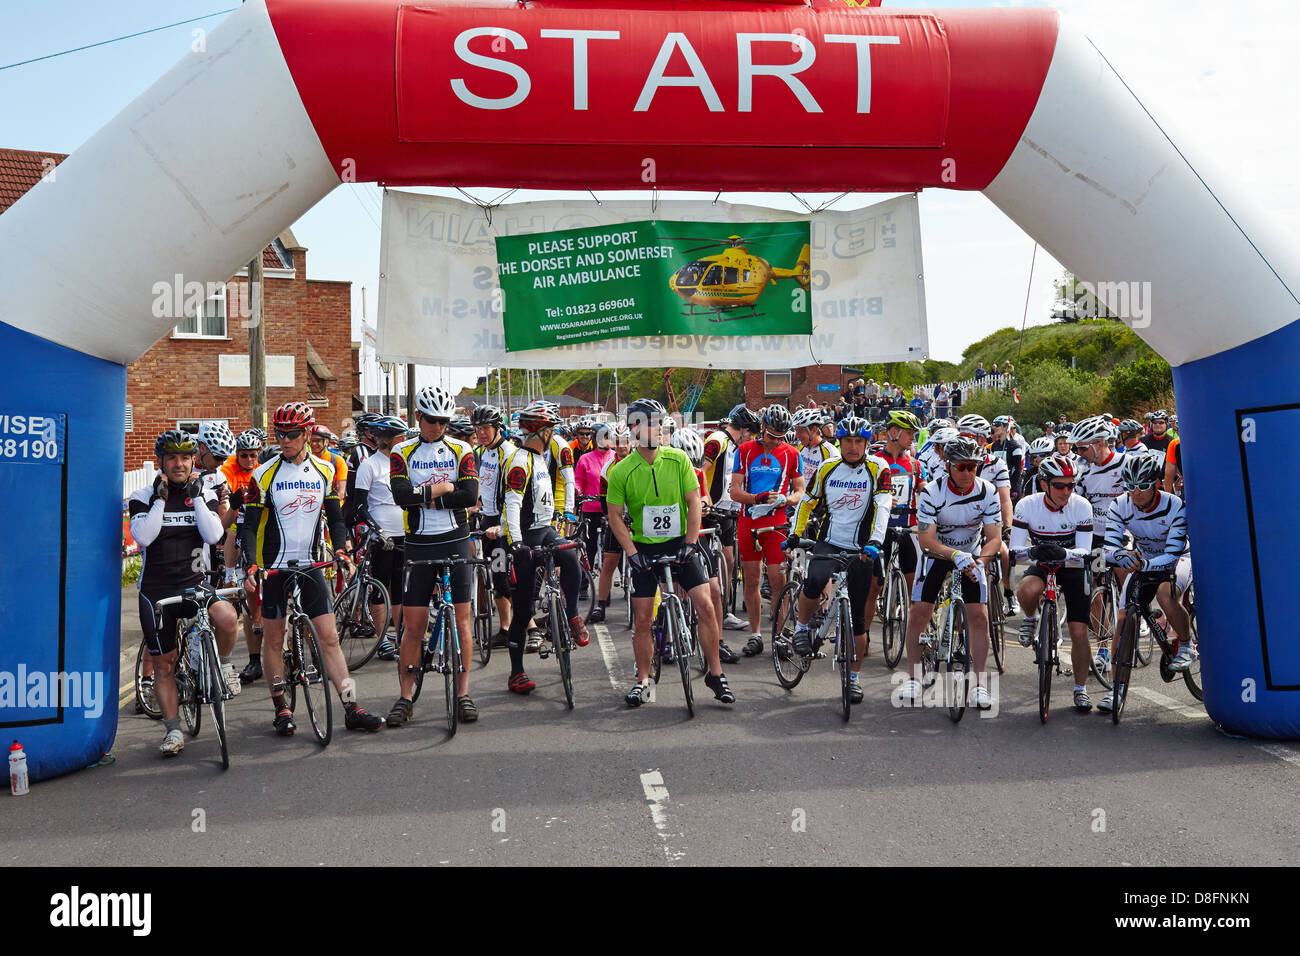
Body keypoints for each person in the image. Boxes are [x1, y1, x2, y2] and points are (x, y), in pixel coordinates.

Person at [240, 403, 386, 735]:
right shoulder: (263, 474)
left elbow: (335, 519)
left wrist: (340, 549)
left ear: (307, 434)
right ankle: (281, 707)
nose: (285, 440)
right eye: (279, 434)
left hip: (310, 563)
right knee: (274, 639)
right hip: (274, 567)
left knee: (330, 637)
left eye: (291, 434)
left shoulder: (324, 470)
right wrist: (251, 564)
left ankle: (351, 706)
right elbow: (248, 527)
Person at [606, 399, 734, 706]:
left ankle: (715, 674)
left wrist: (691, 543)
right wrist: (632, 553)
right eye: (650, 422)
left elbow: (693, 503)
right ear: (635, 428)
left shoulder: (678, 460)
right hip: (644, 548)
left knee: (705, 604)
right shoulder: (621, 470)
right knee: (642, 620)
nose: (657, 428)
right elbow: (614, 516)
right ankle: (643, 680)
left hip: (681, 542)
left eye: (659, 423)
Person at [129, 430, 239, 756]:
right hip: (156, 591)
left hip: (195, 583)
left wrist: (195, 498)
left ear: (194, 460)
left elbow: (215, 534)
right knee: (164, 665)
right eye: (172, 458)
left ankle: (223, 665)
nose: (179, 464)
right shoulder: (142, 494)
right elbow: (145, 537)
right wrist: (161, 499)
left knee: (228, 618)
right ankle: (173, 731)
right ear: (160, 461)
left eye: (185, 458)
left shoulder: (203, 491)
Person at [386, 385, 482, 726]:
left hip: (455, 538)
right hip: (419, 542)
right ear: (418, 417)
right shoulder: (402, 452)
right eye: (430, 420)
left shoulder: (462, 449)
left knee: (461, 620)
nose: (436, 427)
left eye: (442, 421)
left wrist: (425, 496)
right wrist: (442, 488)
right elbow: (400, 496)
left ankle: (463, 694)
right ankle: (404, 696)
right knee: (413, 627)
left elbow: (469, 494)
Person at [785, 415, 892, 702]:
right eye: (848, 441)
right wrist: (795, 534)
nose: (853, 447)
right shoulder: (827, 468)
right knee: (814, 581)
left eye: (859, 441)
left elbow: (883, 506)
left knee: (858, 620)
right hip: (829, 541)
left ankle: (854, 678)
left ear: (867, 443)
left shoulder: (878, 467)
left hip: (862, 548)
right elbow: (807, 502)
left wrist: (875, 542)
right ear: (840, 442)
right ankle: (802, 627)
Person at [898, 437, 1002, 709]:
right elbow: (926, 540)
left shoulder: (988, 491)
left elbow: (993, 537)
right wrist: (955, 555)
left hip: (973, 554)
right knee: (920, 609)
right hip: (938, 553)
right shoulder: (933, 491)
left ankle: (979, 684)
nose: (968, 473)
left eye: (973, 467)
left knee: (979, 615)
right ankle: (913, 676)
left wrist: (979, 561)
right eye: (961, 467)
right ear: (948, 466)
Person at [500, 402, 589, 696]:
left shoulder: (542, 457)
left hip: (545, 529)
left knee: (570, 556)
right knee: (523, 608)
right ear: (541, 433)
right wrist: (516, 544)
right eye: (551, 430)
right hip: (524, 535)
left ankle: (573, 615)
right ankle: (516, 673)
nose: (554, 434)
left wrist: (569, 516)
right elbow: (511, 505)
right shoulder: (519, 460)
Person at [1101, 453, 1193, 712]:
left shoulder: (1175, 505)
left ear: (1155, 485)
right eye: (1130, 486)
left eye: (1142, 486)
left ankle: (1186, 644)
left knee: (1165, 595)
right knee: (1122, 620)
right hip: (1144, 560)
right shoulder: (1120, 505)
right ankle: (1116, 690)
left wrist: (1143, 564)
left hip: (1178, 559)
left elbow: (1173, 553)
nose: (1135, 493)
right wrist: (1120, 554)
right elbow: (1110, 545)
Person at [1010, 455, 1097, 711]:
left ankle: (1080, 689)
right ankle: (1031, 617)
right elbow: (1014, 549)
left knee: (1079, 631)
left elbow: (1084, 550)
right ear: (1043, 483)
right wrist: (1033, 553)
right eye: (1060, 485)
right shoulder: (1027, 505)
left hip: (1072, 565)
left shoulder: (1081, 506)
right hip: (1044, 561)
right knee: (1027, 589)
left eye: (1071, 485)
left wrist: (1064, 554)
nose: (1066, 491)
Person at [729, 404, 805, 656]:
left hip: (777, 523)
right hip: (749, 521)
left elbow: (799, 490)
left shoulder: (793, 453)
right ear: (762, 430)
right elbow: (734, 491)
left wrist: (787, 500)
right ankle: (756, 634)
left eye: (780, 438)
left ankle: (780, 635)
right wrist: (757, 498)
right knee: (750, 580)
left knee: (778, 580)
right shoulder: (745, 450)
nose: (775, 442)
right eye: (771, 436)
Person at [349, 415, 410, 670]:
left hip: (404, 534)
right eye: (401, 438)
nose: (405, 441)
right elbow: (359, 505)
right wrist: (376, 530)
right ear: (387, 441)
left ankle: (401, 636)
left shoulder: (404, 463)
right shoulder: (370, 465)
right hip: (382, 536)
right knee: (381, 587)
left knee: (400, 587)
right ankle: (382, 637)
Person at [863, 410, 925, 653]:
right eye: (909, 433)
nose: (912, 438)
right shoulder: (875, 461)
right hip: (881, 529)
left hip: (907, 527)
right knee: (874, 585)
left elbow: (923, 488)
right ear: (893, 432)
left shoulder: (914, 463)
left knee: (914, 587)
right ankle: (864, 635)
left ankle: (915, 637)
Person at [704, 405, 760, 645]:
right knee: (709, 563)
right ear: (745, 430)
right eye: (752, 434)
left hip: (729, 510)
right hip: (710, 509)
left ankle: (724, 609)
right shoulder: (717, 440)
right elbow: (699, 471)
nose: (753, 439)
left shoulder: (735, 445)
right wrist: (703, 500)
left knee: (729, 560)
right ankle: (705, 606)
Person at [470, 404, 517, 644]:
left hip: (502, 521)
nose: (481, 433)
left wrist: (502, 525)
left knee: (502, 577)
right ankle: (506, 628)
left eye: (486, 428)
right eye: (477, 429)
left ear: (498, 427)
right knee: (495, 577)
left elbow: (513, 492)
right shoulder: (482, 453)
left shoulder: (508, 453)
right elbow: (483, 485)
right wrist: (473, 504)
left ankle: (528, 628)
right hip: (487, 517)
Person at [223, 428, 266, 683]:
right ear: (237, 455)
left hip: (261, 528)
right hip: (238, 521)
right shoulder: (230, 469)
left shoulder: (261, 471)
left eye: (253, 455)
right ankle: (253, 660)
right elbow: (225, 498)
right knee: (230, 533)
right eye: (244, 456)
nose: (249, 460)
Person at [590, 422, 631, 624]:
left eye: (625, 442)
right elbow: (604, 500)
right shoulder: (608, 468)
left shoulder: (640, 461)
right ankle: (601, 604)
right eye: (618, 442)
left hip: (640, 519)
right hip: (617, 518)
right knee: (608, 562)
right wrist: (613, 519)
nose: (622, 446)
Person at [793, 407, 840, 487]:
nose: (797, 435)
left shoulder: (831, 452)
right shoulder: (801, 447)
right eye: (796, 431)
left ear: (814, 429)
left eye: (800, 431)